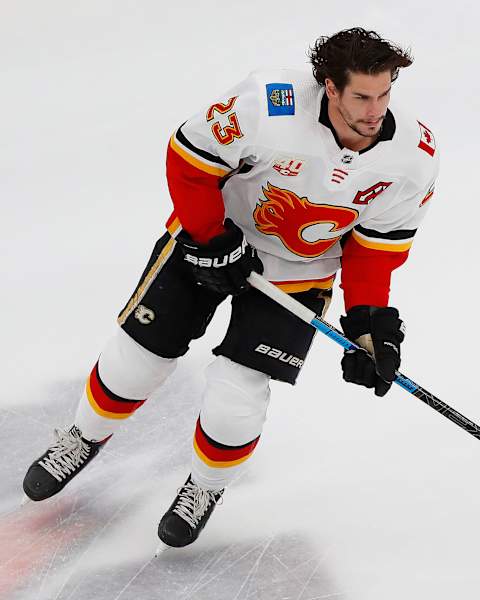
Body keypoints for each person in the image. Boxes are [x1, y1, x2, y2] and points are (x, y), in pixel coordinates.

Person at [23, 27, 439, 548]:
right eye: (361, 96)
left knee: (237, 396)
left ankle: (205, 486)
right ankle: (83, 437)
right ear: (330, 87)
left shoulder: (413, 158)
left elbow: (373, 251)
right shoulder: (268, 106)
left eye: (384, 94)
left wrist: (369, 326)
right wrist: (210, 235)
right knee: (138, 359)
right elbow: (188, 159)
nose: (375, 110)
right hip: (214, 234)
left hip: (299, 271)